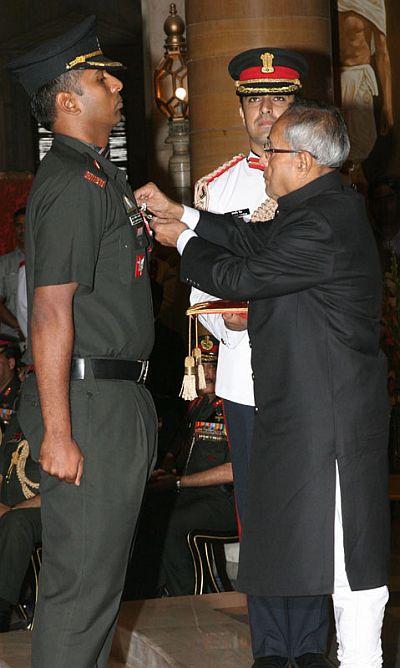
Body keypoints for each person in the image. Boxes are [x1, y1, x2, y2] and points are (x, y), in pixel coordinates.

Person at [136, 102, 390, 667]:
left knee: (348, 561)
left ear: (301, 160)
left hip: (332, 422)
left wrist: (179, 242)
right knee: (318, 548)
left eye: (271, 151)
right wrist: (185, 215)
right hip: (311, 411)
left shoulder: (322, 221)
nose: (262, 160)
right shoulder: (317, 203)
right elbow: (251, 237)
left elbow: (239, 275)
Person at [7, 15, 157, 668]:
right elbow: (48, 313)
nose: (118, 87)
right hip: (87, 402)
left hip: (110, 398)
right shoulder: (72, 182)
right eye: (103, 78)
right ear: (69, 99)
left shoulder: (97, 177)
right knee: (80, 595)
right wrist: (59, 431)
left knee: (97, 590)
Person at [190, 48, 331, 667]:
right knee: (258, 513)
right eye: (256, 100)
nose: (267, 110)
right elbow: (201, 289)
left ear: (296, 108)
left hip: (307, 378)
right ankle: (272, 646)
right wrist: (228, 320)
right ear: (242, 109)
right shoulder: (220, 188)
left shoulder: (321, 179)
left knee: (310, 511)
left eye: (280, 100)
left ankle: (310, 641)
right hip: (248, 375)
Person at [129, 334, 236, 598]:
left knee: (171, 524)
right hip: (190, 495)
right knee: (142, 513)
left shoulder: (235, 409)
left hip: (226, 501)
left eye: (215, 365)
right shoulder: (197, 406)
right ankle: (150, 592)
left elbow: (235, 469)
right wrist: (164, 471)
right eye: (203, 366)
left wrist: (178, 482)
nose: (208, 373)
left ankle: (185, 597)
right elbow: (176, 453)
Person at [338, 0, 393, 164]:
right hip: (333, 78)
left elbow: (382, 54)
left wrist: (387, 105)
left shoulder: (373, 2)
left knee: (361, 141)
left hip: (359, 77)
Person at [0, 413, 41, 632]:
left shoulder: (71, 416)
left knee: (16, 524)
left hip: (48, 512)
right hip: (9, 509)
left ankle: (2, 609)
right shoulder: (22, 414)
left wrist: (10, 511)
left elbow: (63, 491)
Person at [0, 207, 26, 340]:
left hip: (45, 335)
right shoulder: (4, 263)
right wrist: (19, 326)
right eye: (18, 225)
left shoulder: (47, 260)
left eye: (26, 225)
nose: (22, 230)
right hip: (12, 337)